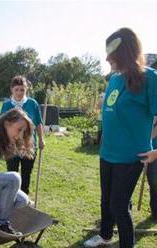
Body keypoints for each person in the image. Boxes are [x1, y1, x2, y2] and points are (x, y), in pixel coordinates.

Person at [84, 28, 157, 248]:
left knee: (118, 205)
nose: (106, 58)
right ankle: (105, 236)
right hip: (107, 153)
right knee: (106, 201)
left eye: (111, 53)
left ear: (124, 51)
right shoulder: (114, 80)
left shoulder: (150, 78)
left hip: (131, 156)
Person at [0, 75, 44, 194]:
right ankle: (11, 196)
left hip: (28, 145)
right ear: (12, 90)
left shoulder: (32, 103)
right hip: (11, 145)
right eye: (17, 90)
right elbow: (2, 126)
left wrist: (41, 139)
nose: (19, 93)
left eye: (22, 90)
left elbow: (38, 123)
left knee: (26, 173)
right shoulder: (7, 105)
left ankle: (24, 198)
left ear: (26, 90)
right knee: (12, 173)